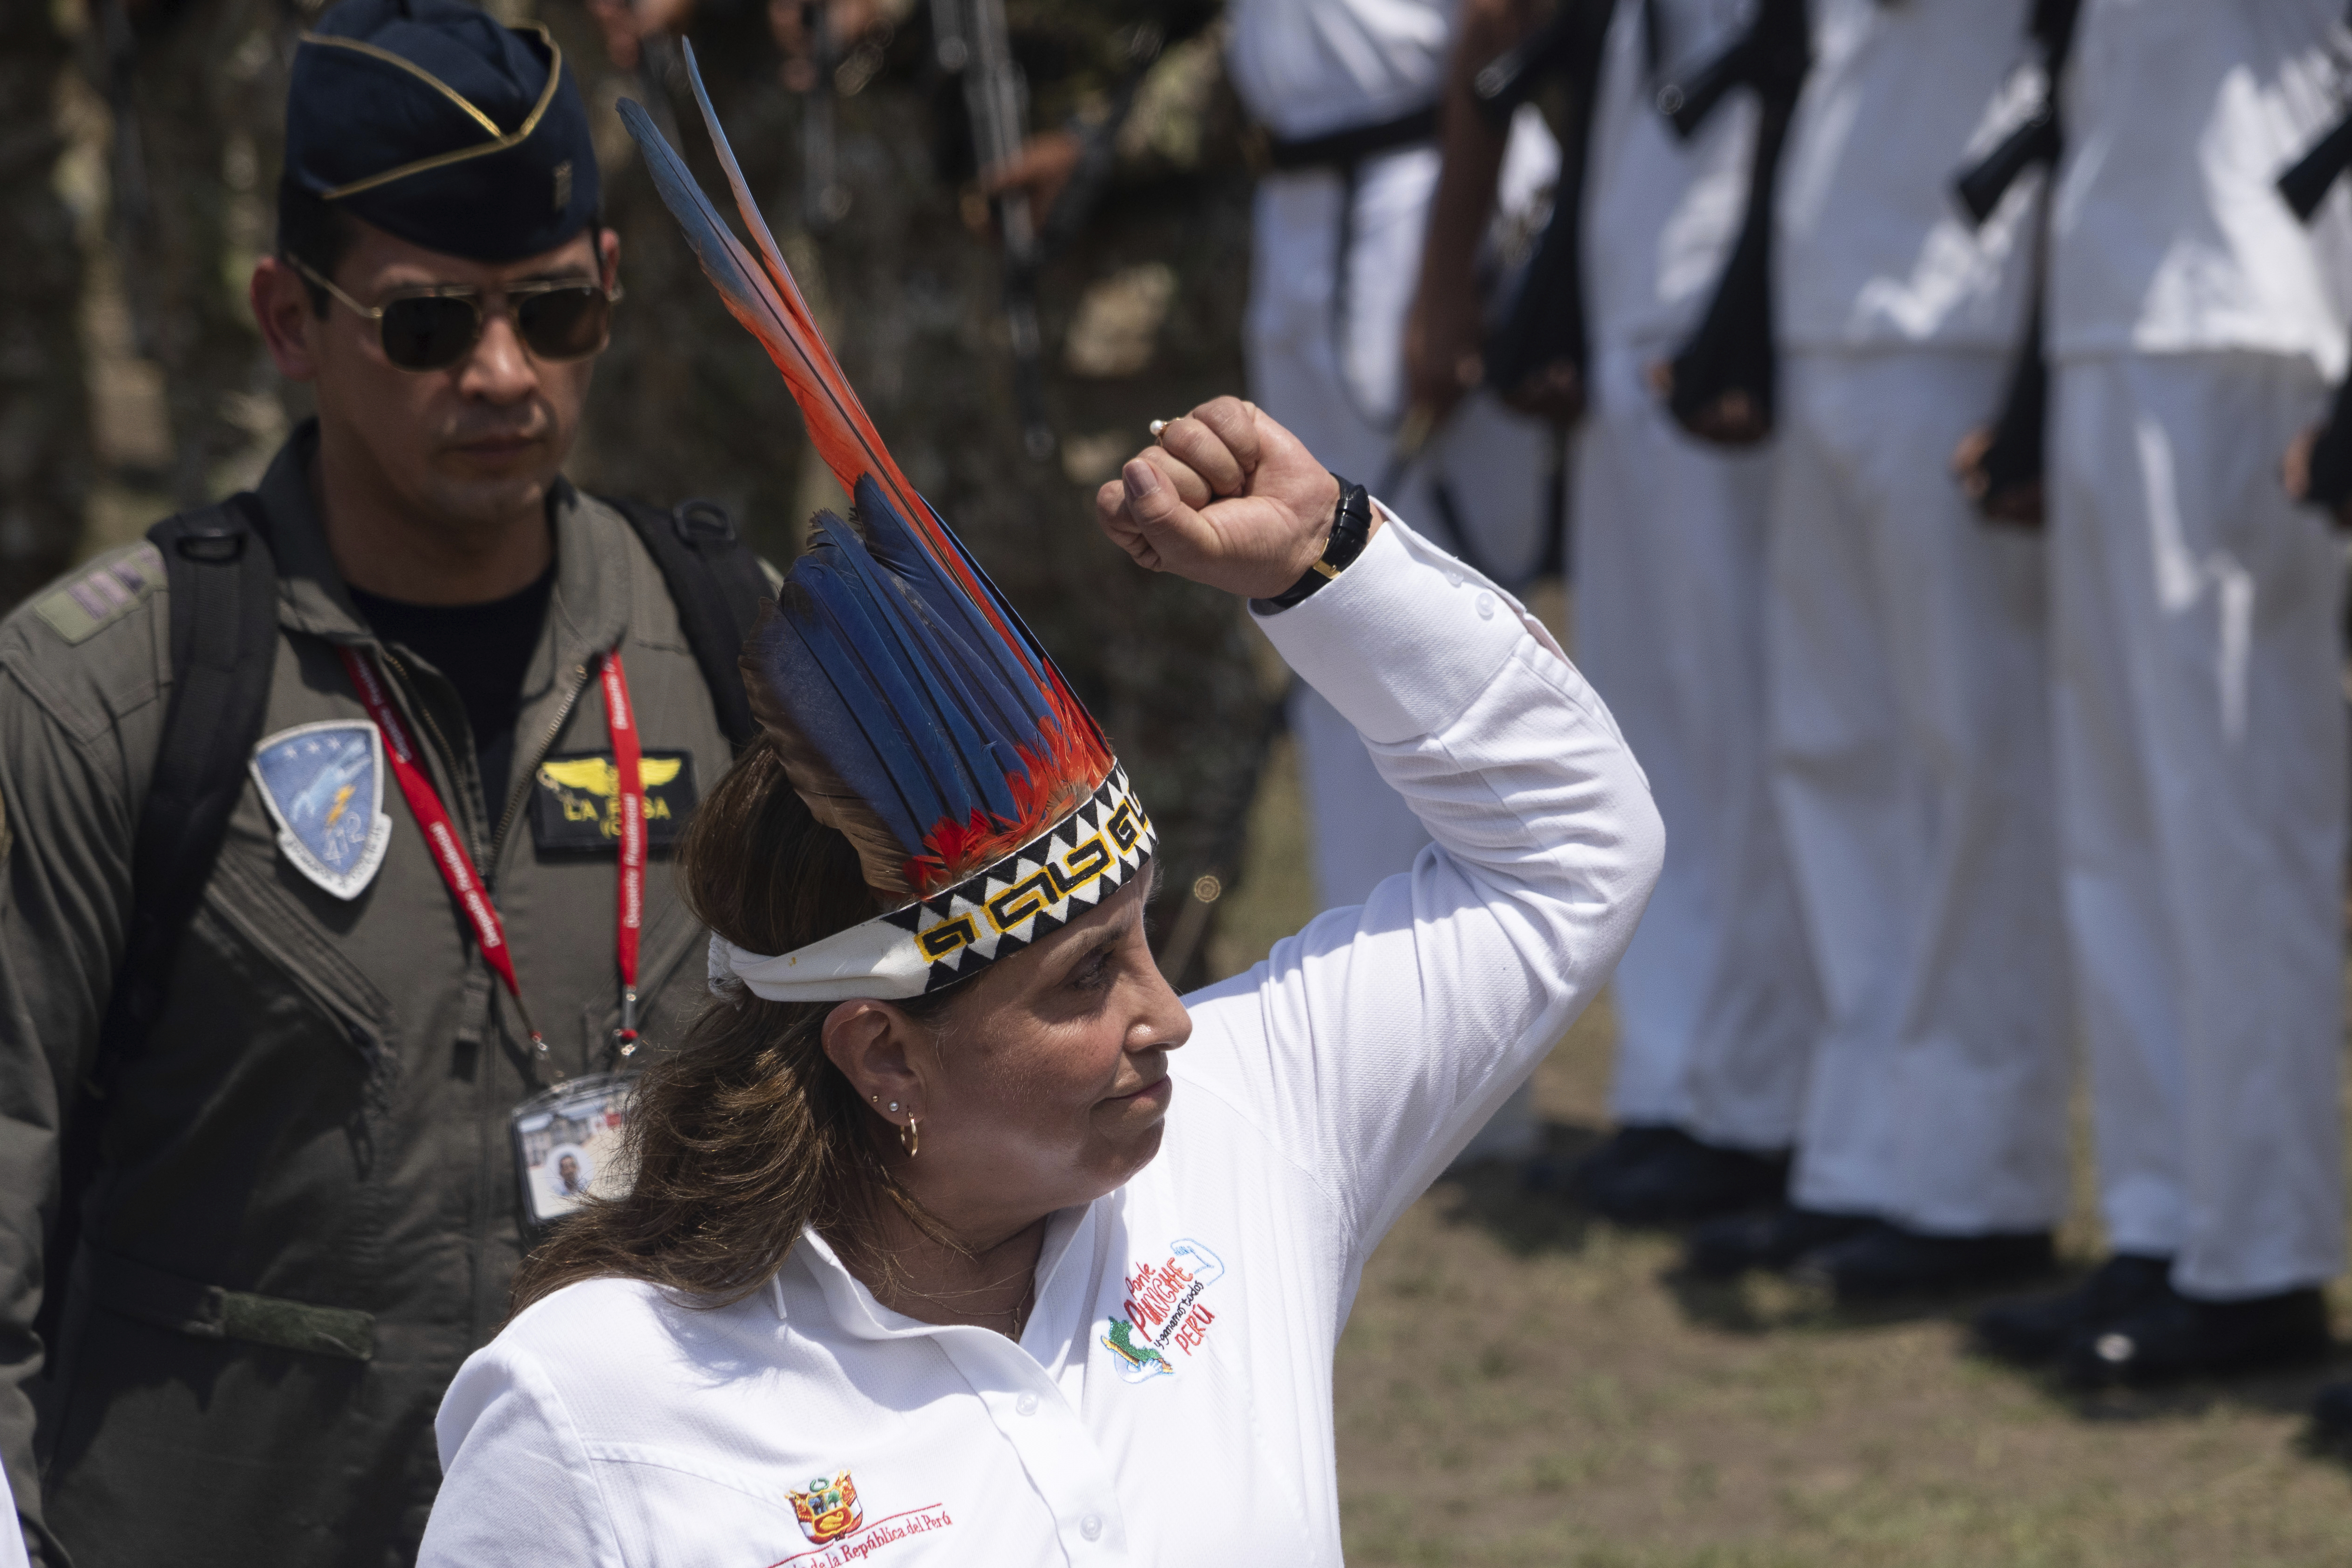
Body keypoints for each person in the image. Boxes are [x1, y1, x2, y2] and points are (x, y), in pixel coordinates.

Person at [416, 78, 1662, 1559]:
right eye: (1083, 977)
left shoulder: (1238, 1142)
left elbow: (1570, 854)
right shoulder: (600, 1400)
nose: (1173, 1017)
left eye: (1139, 944)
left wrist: (1332, 562)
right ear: (882, 1053)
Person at [0, 1, 772, 1558]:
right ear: (290, 321)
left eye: (553, 315)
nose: (501, 375)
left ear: (611, 294)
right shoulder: (109, 695)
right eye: (427, 326)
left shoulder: (728, 646)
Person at [1974, 0, 2351, 1385]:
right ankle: (2158, 1220)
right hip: (2115, 301)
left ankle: (2257, 1252)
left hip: (2244, 314)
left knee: (2235, 813)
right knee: (2120, 823)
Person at [1681, 0, 2071, 1297]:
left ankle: (1976, 1177)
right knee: (1833, 755)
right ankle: (1861, 1154)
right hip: (1836, 290)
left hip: (1953, 296)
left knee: (1968, 762)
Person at [1411, 0, 1818, 1219]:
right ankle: (1676, 1083)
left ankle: (1760, 1100)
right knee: (1647, 723)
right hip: (1626, 287)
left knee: (1737, 731)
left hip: (1723, 317)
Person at [1226, 0, 1565, 921]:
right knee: (1326, 632)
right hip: (1301, 197)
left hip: (1425, 190)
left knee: (1433, 627)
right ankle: (1373, 976)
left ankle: (1477, 1007)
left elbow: (1499, 19)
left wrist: (1447, 275)